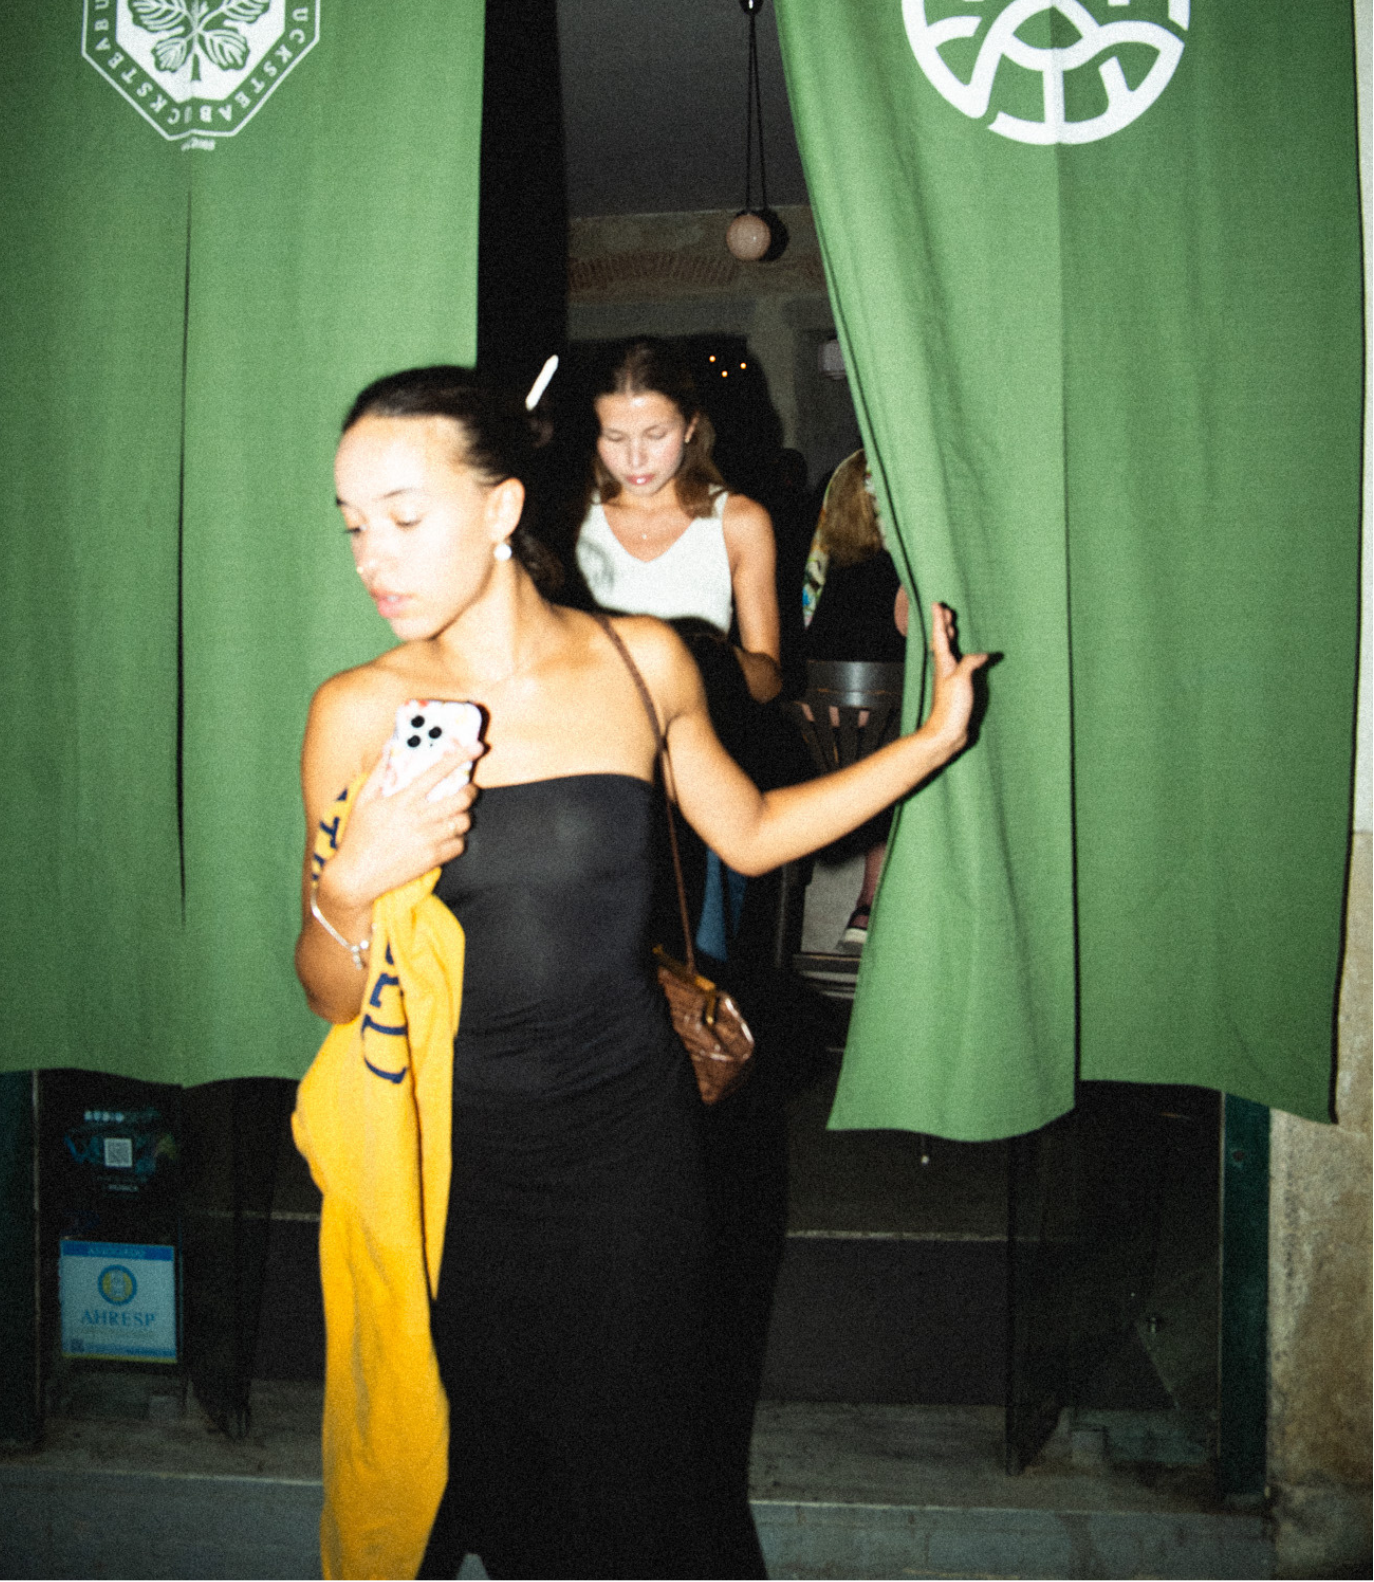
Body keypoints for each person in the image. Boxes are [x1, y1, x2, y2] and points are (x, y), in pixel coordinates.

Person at [295, 365, 985, 1580]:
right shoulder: (357, 708)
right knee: (502, 1473)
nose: (371, 558)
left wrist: (931, 740)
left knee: (649, 1472)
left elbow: (752, 831)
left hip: (631, 1146)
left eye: (401, 517)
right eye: (353, 524)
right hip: (455, 1158)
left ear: (503, 508)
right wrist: (348, 890)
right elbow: (330, 994)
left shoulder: (641, 663)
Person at [575, 337, 781, 963]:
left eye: (655, 434)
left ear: (691, 426)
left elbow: (769, 676)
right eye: (614, 437)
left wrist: (700, 654)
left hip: (697, 768)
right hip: (587, 768)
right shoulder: (566, 517)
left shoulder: (738, 521)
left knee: (697, 965)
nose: (635, 459)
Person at [801, 448, 911, 952]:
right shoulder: (906, 576)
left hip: (812, 745)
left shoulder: (824, 573)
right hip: (871, 748)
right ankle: (870, 901)